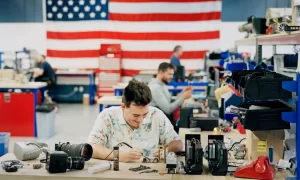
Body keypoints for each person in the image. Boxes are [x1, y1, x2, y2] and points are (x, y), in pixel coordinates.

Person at [88, 80, 183, 163]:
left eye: (145, 114)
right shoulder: (107, 117)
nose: (141, 120)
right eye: (136, 115)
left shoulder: (156, 115)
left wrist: (166, 150)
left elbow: (178, 143)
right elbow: (92, 148)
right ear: (123, 107)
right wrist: (117, 155)